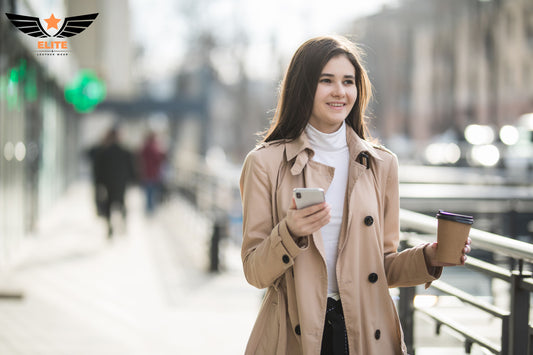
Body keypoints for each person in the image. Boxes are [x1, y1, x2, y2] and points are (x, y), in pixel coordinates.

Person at [239, 35, 471, 355]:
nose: (340, 92)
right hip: (294, 337)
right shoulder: (264, 164)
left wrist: (428, 257)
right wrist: (291, 232)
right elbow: (254, 271)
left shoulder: (381, 164)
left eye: (349, 81)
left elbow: (382, 267)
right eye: (326, 80)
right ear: (303, 87)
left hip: (366, 335)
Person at [93, 127, 136, 238]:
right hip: (120, 183)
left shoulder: (103, 151)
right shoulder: (125, 151)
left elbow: (98, 170)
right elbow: (132, 168)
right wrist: (133, 180)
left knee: (109, 205)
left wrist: (98, 184)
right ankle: (122, 223)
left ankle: (110, 226)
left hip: (108, 183)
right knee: (121, 204)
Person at [138, 131, 166, 215]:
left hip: (148, 173)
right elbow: (159, 159)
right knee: (151, 193)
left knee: (149, 193)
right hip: (152, 174)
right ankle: (150, 210)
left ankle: (149, 209)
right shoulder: (153, 147)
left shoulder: (145, 147)